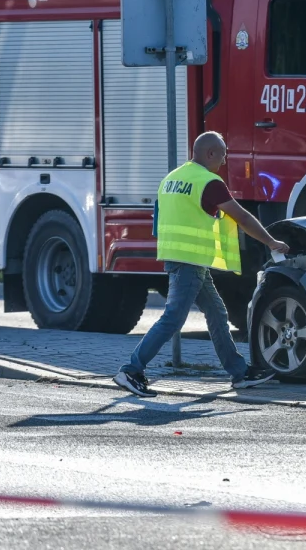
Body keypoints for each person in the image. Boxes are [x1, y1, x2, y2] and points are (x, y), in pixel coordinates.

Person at [113, 131, 290, 398]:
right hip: (190, 261)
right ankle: (131, 370)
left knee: (217, 314)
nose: (224, 160)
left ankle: (240, 373)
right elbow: (240, 216)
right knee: (173, 318)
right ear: (209, 154)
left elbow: (158, 221)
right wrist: (271, 241)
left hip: (178, 257)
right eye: (222, 154)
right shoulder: (209, 182)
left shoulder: (171, 179)